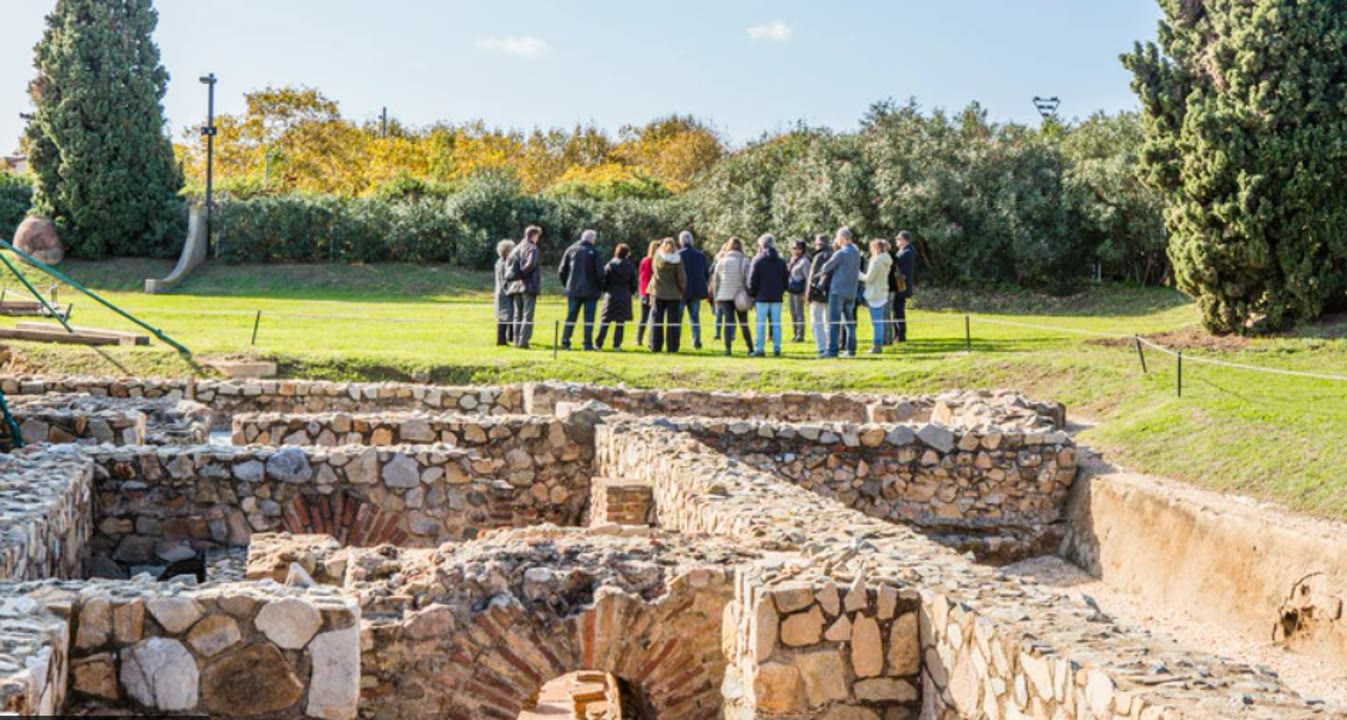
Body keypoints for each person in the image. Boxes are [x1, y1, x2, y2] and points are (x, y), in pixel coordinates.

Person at [557, 229, 604, 351]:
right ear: (591, 239)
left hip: (573, 289)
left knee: (571, 316)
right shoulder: (595, 252)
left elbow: (562, 271)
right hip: (591, 291)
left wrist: (567, 284)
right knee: (589, 319)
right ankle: (587, 344)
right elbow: (600, 273)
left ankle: (565, 341)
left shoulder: (571, 249)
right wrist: (601, 286)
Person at [818, 227, 862, 358]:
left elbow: (826, 267)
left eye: (837, 237)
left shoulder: (841, 253)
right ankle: (851, 349)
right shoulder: (856, 252)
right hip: (851, 290)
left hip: (838, 291)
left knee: (834, 322)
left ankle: (832, 350)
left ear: (842, 238)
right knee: (850, 322)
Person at [747, 234, 789, 358]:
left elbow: (752, 280)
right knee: (776, 323)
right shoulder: (781, 261)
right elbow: (785, 280)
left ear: (761, 245)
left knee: (760, 323)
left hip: (761, 296)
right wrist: (782, 291)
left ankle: (759, 348)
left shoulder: (757, 260)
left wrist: (752, 293)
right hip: (777, 297)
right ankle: (777, 347)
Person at [711, 237, 753, 355]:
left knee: (728, 322)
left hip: (724, 296)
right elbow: (748, 280)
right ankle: (750, 347)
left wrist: (716, 298)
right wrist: (750, 296)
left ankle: (728, 348)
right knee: (744, 323)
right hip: (740, 296)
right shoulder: (744, 261)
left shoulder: (721, 261)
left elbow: (716, 281)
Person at [504, 225, 543, 349]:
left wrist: (518, 276)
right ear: (534, 235)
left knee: (517, 314)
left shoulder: (516, 248)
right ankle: (523, 342)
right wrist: (524, 274)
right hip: (528, 285)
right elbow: (530, 264)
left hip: (515, 286)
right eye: (538, 236)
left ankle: (516, 341)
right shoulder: (532, 248)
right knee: (527, 315)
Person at [647, 237, 687, 353]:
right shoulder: (678, 259)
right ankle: (672, 346)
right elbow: (681, 277)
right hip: (673, 293)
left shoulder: (657, 257)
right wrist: (682, 289)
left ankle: (655, 345)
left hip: (658, 292)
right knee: (673, 322)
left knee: (656, 320)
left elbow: (654, 271)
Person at [596, 243, 638, 350]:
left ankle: (598, 343)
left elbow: (604, 280)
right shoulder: (630, 266)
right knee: (620, 322)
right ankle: (617, 344)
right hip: (624, 295)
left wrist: (606, 290)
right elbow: (634, 283)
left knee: (605, 320)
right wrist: (630, 292)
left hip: (611, 295)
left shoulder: (610, 264)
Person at [859, 239, 894, 354]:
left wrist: (858, 274)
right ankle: (879, 343)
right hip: (882, 290)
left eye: (872, 248)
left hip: (874, 292)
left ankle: (877, 345)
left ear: (876, 249)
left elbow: (869, 278)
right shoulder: (886, 259)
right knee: (880, 320)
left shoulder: (876, 261)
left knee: (876, 322)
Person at [678, 231, 711, 350]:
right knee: (695, 318)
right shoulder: (700, 255)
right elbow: (706, 273)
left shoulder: (678, 255)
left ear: (681, 241)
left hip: (681, 291)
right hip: (696, 291)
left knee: (678, 318)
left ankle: (676, 341)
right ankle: (697, 341)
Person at [806, 234, 833, 357]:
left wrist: (809, 295)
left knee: (816, 321)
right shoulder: (835, 254)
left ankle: (821, 347)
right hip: (831, 292)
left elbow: (813, 277)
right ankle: (829, 345)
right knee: (828, 321)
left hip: (818, 293)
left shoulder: (818, 256)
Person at [893, 231, 916, 343]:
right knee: (897, 310)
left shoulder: (907, 252)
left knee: (898, 310)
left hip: (901, 285)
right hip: (901, 284)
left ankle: (900, 334)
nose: (897, 241)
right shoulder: (904, 251)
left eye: (899, 239)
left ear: (904, 240)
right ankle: (898, 333)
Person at [493, 239, 516, 347]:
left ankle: (511, 336)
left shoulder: (499, 262)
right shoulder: (503, 263)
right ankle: (501, 340)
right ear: (507, 251)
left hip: (502, 292)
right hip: (504, 292)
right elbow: (505, 279)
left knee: (510, 315)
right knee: (504, 316)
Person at [636, 240, 658, 347]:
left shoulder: (644, 261)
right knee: (653, 318)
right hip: (654, 292)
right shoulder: (657, 262)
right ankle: (651, 340)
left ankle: (638, 339)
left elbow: (641, 276)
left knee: (643, 317)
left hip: (643, 291)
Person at [786, 239, 809, 343]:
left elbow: (808, 278)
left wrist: (806, 292)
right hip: (791, 289)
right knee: (792, 312)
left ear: (802, 249)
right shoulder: (791, 259)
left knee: (799, 313)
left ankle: (800, 335)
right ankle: (795, 333)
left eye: (798, 248)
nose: (795, 250)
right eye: (794, 248)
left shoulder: (805, 261)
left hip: (800, 290)